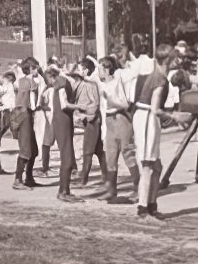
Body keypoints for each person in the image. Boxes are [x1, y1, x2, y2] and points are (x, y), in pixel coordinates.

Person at [132, 44, 174, 219]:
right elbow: (156, 109)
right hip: (147, 118)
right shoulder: (160, 79)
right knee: (148, 166)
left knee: (157, 167)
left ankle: (151, 205)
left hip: (147, 117)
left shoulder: (156, 75)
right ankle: (142, 208)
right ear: (169, 60)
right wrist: (176, 116)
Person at [98, 55, 139, 204]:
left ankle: (138, 188)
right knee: (110, 155)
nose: (98, 71)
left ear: (107, 69)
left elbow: (124, 104)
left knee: (128, 153)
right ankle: (111, 190)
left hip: (121, 119)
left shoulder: (117, 82)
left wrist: (110, 99)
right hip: (109, 122)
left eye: (100, 68)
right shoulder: (103, 85)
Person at [45, 62, 79, 202]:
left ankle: (64, 190)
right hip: (63, 121)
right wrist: (81, 106)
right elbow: (65, 105)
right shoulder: (62, 85)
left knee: (67, 155)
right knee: (67, 156)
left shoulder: (58, 86)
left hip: (61, 121)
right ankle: (64, 191)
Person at [70, 58, 106, 190]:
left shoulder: (91, 84)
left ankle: (83, 179)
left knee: (87, 151)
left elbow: (94, 104)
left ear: (86, 70)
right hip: (91, 121)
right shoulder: (87, 82)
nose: (79, 72)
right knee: (99, 150)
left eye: (80, 69)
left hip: (92, 121)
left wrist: (85, 115)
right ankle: (106, 176)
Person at [10, 59, 40, 189]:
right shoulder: (30, 82)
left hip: (19, 114)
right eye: (36, 68)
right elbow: (33, 104)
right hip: (25, 115)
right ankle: (18, 180)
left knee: (32, 150)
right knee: (27, 149)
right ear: (31, 69)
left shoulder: (21, 81)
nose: (38, 70)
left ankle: (28, 177)